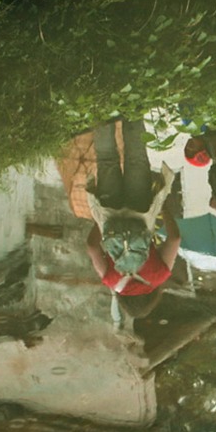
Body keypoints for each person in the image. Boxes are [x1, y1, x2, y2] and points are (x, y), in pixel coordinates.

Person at [85, 120, 180, 304]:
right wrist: (102, 222)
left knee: (136, 158)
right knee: (106, 159)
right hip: (110, 213)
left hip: (141, 209)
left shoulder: (159, 276)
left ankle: (132, 106)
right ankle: (103, 109)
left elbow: (175, 239)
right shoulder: (111, 281)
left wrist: (163, 208)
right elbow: (91, 246)